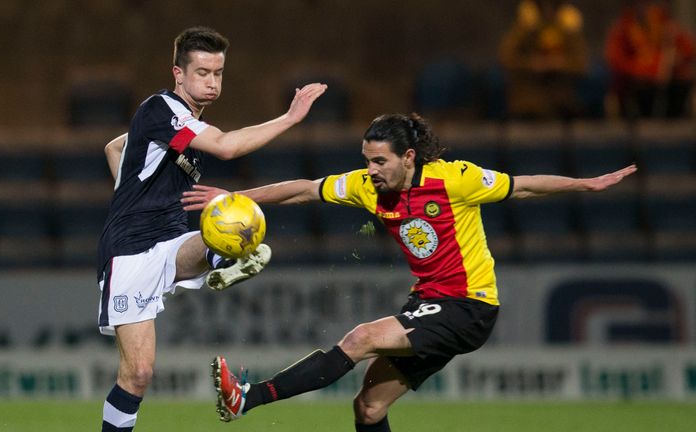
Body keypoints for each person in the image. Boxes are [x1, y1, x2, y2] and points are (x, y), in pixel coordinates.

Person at [181, 113, 637, 431]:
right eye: (366, 160)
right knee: (369, 408)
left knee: (359, 338)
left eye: (380, 161)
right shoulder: (366, 187)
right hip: (429, 303)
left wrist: (585, 183)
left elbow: (522, 187)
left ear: (409, 157)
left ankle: (249, 397)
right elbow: (303, 189)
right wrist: (239, 197)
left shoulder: (454, 178)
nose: (370, 170)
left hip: (469, 304)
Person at [97, 26, 326, 432]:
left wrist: (128, 187)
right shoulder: (161, 109)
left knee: (234, 218)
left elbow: (115, 147)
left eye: (218, 73)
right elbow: (226, 146)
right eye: (202, 72)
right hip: (130, 250)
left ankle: (227, 257)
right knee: (138, 374)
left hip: (169, 242)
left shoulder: (181, 124)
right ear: (178, 74)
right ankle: (224, 258)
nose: (212, 81)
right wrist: (290, 118)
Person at [498, 0, 588, 119]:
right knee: (531, 109)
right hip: (529, 93)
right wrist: (531, 63)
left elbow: (581, 63)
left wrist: (561, 64)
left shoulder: (567, 25)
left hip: (562, 93)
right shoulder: (526, 25)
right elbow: (506, 58)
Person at [605, 1, 695, 119]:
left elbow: (688, 48)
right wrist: (645, 70)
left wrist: (677, 58)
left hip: (667, 79)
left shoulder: (663, 22)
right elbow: (616, 59)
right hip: (638, 82)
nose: (646, 7)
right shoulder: (623, 27)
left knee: (682, 83)